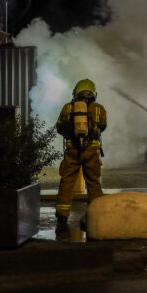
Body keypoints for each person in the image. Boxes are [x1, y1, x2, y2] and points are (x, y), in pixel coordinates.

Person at [54, 79, 107, 231]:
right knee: (93, 182)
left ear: (75, 93)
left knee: (67, 181)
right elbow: (103, 125)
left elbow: (59, 126)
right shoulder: (99, 108)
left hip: (72, 151)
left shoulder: (67, 108)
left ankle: (62, 213)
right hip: (92, 151)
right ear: (93, 93)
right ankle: (97, 213)